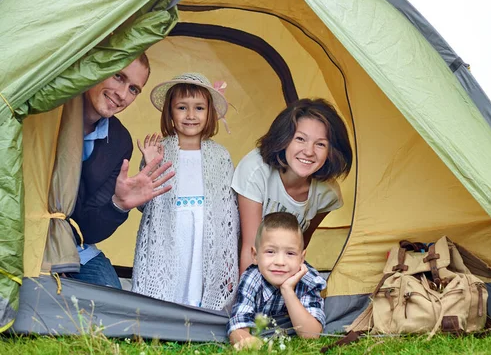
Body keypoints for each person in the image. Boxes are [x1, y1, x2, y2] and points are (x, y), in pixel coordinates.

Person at [131, 72, 239, 310]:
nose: (191, 115)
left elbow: (227, 212)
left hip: (205, 230)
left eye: (199, 108)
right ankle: (165, 313)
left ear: (209, 113)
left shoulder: (220, 156)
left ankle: (200, 313)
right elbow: (143, 204)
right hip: (170, 229)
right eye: (182, 107)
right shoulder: (160, 150)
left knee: (199, 275)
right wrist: (149, 165)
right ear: (170, 112)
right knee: (172, 273)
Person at [67, 53, 175, 289]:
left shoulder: (119, 141)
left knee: (113, 305)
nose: (122, 95)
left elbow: (88, 231)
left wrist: (117, 205)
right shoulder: (52, 110)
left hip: (72, 245)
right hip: (22, 232)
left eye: (134, 89)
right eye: (118, 76)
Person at [232, 98, 353, 274]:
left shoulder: (327, 193)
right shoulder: (256, 170)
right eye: (300, 139)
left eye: (320, 144)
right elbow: (251, 248)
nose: (309, 151)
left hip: (280, 272)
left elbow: (301, 242)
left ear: (331, 152)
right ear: (284, 139)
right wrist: (248, 299)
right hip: (235, 266)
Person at [227, 212, 326, 349]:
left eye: (290, 253)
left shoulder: (309, 279)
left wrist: (287, 290)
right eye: (270, 252)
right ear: (255, 256)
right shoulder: (252, 278)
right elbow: (238, 326)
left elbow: (311, 335)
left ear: (302, 258)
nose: (280, 262)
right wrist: (249, 342)